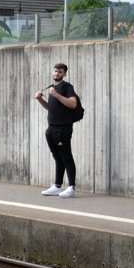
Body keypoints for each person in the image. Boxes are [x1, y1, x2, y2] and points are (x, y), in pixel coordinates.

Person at [34, 62, 77, 198]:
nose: (57, 73)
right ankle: (57, 186)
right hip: (51, 128)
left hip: (63, 128)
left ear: (64, 74)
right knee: (57, 158)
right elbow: (51, 108)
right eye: (55, 71)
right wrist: (40, 99)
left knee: (67, 157)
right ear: (52, 72)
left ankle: (71, 187)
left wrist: (56, 95)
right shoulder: (52, 88)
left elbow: (73, 104)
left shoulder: (67, 87)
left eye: (60, 72)